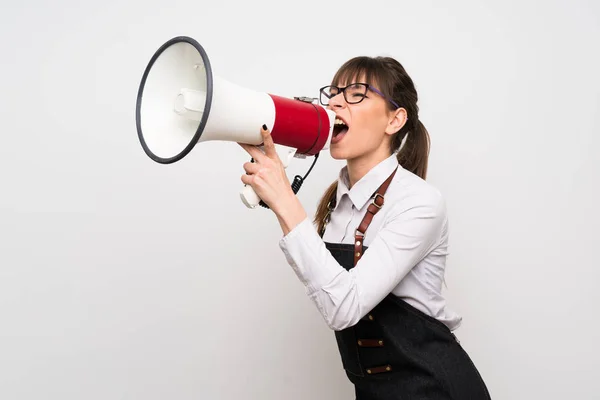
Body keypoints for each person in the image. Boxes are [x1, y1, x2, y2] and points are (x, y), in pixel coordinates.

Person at [239, 56, 491, 399]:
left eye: (357, 93)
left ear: (395, 119)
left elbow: (344, 306)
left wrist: (284, 200)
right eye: (335, 92)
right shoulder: (334, 206)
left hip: (435, 390)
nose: (336, 102)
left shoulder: (419, 203)